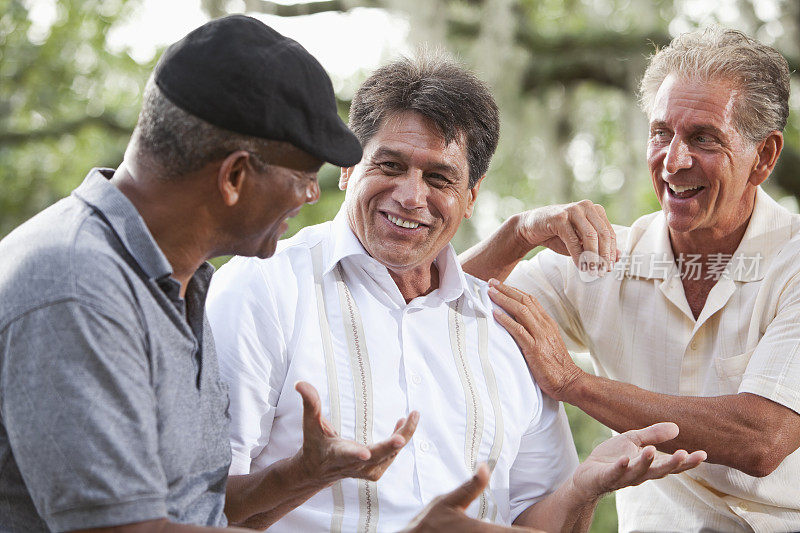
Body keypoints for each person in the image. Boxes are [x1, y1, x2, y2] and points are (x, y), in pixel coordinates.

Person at [0, 14, 480, 533]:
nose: (312, 195)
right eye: (302, 176)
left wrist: (303, 475)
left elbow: (192, 509)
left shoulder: (175, 282)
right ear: (234, 176)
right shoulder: (78, 289)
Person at [206, 53, 705, 533]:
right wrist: (300, 476)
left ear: (470, 197)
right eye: (390, 166)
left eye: (439, 177)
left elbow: (535, 521)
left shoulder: (505, 327)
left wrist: (583, 489)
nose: (411, 195)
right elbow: (194, 507)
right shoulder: (262, 288)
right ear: (347, 168)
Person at [461, 27, 800, 532]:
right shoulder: (603, 259)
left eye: (704, 138)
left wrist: (573, 383)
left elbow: (762, 439)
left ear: (766, 157)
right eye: (662, 133)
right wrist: (517, 233)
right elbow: (439, 303)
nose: (675, 160)